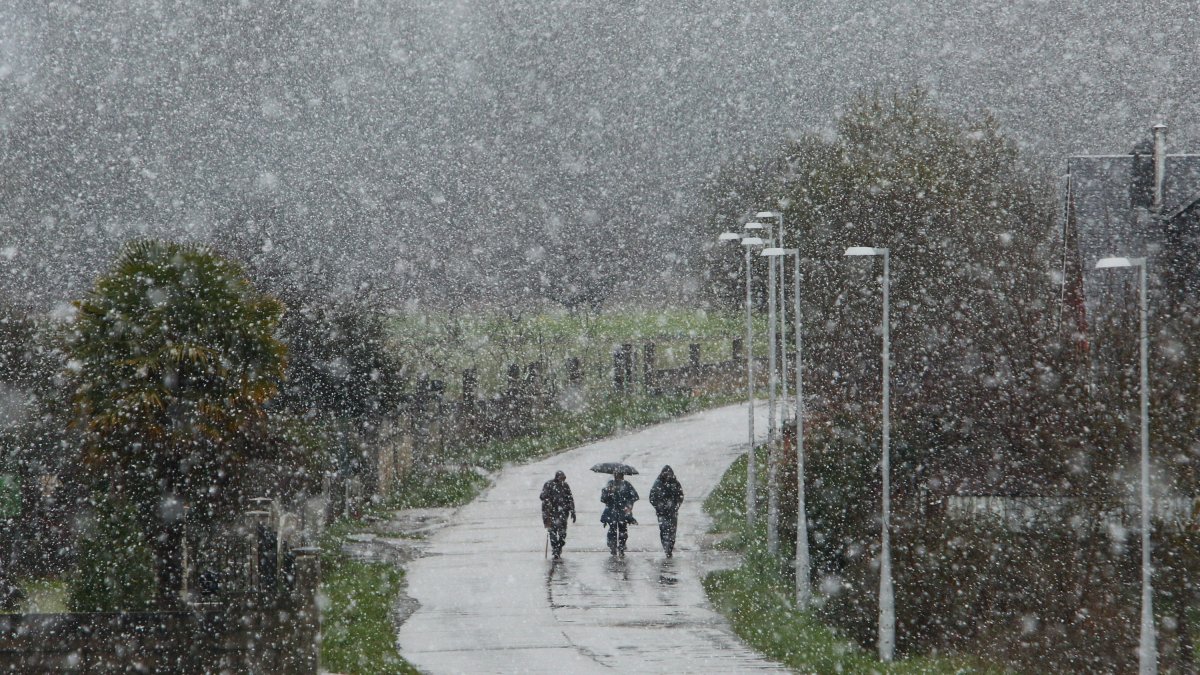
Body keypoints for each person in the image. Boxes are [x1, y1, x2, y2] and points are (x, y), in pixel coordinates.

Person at [600, 471, 639, 556]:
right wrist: (609, 492)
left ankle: (621, 547)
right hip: (611, 512)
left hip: (623, 512)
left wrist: (628, 505)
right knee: (612, 530)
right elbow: (603, 499)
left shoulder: (627, 485)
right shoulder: (610, 484)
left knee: (623, 530)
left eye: (620, 475)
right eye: (616, 475)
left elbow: (634, 496)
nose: (618, 477)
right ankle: (613, 547)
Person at [649, 465, 684, 557]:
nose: (667, 475)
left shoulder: (675, 483)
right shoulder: (657, 484)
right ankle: (666, 548)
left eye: (669, 474)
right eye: (666, 473)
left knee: (672, 531)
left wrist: (676, 506)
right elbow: (652, 498)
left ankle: (670, 548)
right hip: (662, 513)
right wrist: (658, 507)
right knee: (664, 530)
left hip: (672, 512)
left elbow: (680, 496)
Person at [540, 470, 576, 560]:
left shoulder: (565, 486)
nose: (562, 480)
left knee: (562, 534)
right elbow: (542, 496)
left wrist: (573, 511)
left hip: (563, 514)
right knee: (552, 532)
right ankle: (555, 549)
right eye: (561, 478)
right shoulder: (548, 484)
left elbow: (570, 498)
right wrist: (548, 497)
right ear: (556, 477)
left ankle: (559, 547)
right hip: (550, 513)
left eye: (564, 478)